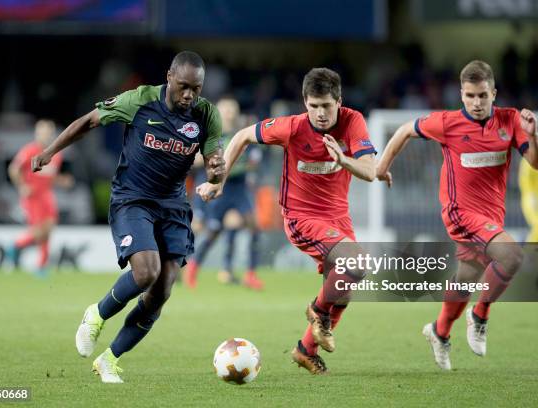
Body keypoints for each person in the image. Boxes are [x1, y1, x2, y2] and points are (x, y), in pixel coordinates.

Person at [31, 51, 225, 383]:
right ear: (169, 77)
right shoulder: (140, 100)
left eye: (196, 88)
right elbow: (89, 121)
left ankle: (110, 359)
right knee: (146, 271)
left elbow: (213, 163)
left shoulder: (206, 115)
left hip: (174, 205)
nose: (189, 95)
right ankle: (97, 313)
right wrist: (50, 152)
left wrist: (216, 173)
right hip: (132, 199)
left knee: (162, 290)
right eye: (183, 87)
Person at [198, 68, 387, 374]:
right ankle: (317, 312)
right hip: (301, 217)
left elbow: (369, 171)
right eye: (313, 106)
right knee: (357, 264)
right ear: (304, 102)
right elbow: (243, 136)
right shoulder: (291, 127)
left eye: (326, 105)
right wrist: (218, 181)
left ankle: (304, 349)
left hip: (338, 218)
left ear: (339, 101)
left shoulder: (353, 121)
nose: (320, 113)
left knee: (345, 287)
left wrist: (342, 159)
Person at [377, 60, 538, 370]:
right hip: (459, 212)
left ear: (493, 93)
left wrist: (533, 136)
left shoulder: (511, 121)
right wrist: (381, 168)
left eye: (482, 95)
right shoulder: (447, 122)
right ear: (461, 94)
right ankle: (479, 316)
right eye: (470, 96)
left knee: (466, 278)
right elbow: (404, 131)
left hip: (490, 217)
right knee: (512, 257)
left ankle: (439, 332)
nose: (476, 103)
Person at [185, 96, 264, 290]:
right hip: (216, 187)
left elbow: (254, 160)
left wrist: (250, 162)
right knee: (211, 231)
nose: (229, 112)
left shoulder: (244, 133)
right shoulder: (209, 133)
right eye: (225, 109)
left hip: (238, 188)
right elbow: (194, 158)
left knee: (251, 226)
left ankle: (248, 273)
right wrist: (204, 159)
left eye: (232, 108)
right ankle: (191, 267)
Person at [7, 119, 73, 276]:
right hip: (33, 196)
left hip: (47, 195)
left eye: (49, 132)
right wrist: (22, 186)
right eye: (43, 132)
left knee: (48, 230)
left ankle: (41, 265)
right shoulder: (30, 150)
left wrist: (62, 181)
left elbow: (49, 176)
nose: (46, 135)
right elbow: (14, 169)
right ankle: (16, 246)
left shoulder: (55, 154)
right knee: (39, 231)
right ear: (37, 133)